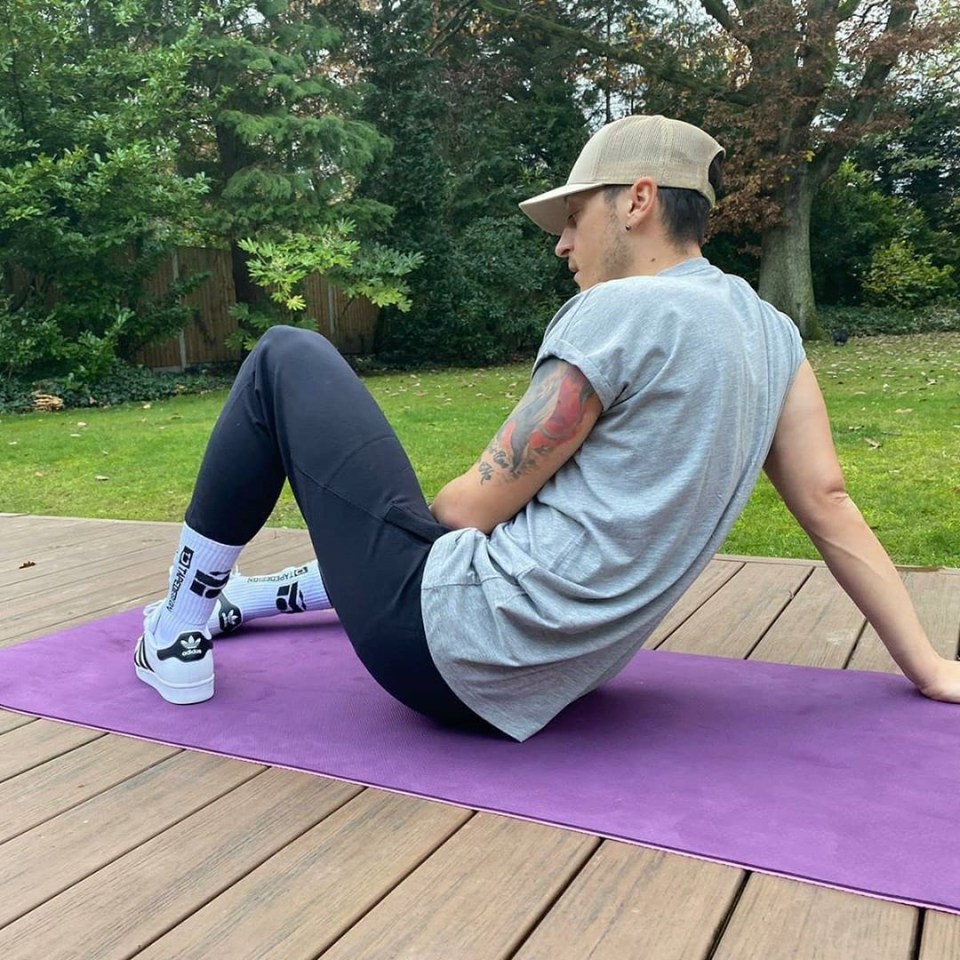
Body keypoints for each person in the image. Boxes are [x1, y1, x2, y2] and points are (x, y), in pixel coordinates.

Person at [134, 114, 960, 742]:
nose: (562, 243)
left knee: (286, 355)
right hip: (550, 681)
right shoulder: (774, 335)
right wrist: (928, 666)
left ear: (637, 200)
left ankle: (173, 630)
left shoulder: (617, 311)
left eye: (573, 216)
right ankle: (249, 598)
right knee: (403, 530)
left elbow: (469, 512)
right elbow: (829, 501)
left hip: (441, 652)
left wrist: (429, 514)